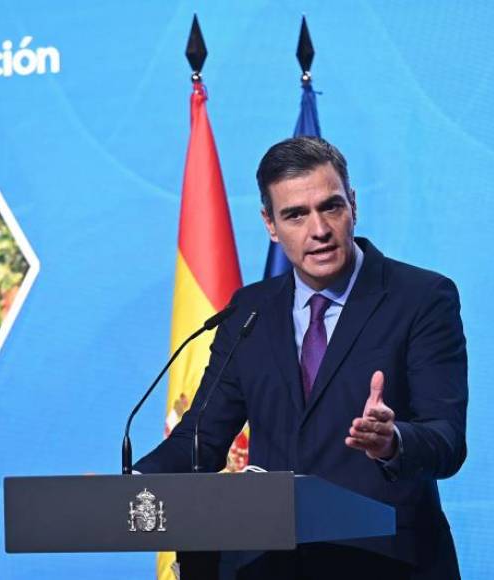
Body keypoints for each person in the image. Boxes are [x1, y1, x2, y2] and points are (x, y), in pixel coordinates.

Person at [135, 136, 467, 579]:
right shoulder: (247, 313)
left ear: (353, 204)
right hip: (271, 566)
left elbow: (446, 441)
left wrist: (393, 442)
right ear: (270, 225)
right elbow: (200, 439)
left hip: (386, 563)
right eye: (295, 215)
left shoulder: (421, 299)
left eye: (330, 207)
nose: (319, 230)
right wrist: (130, 487)